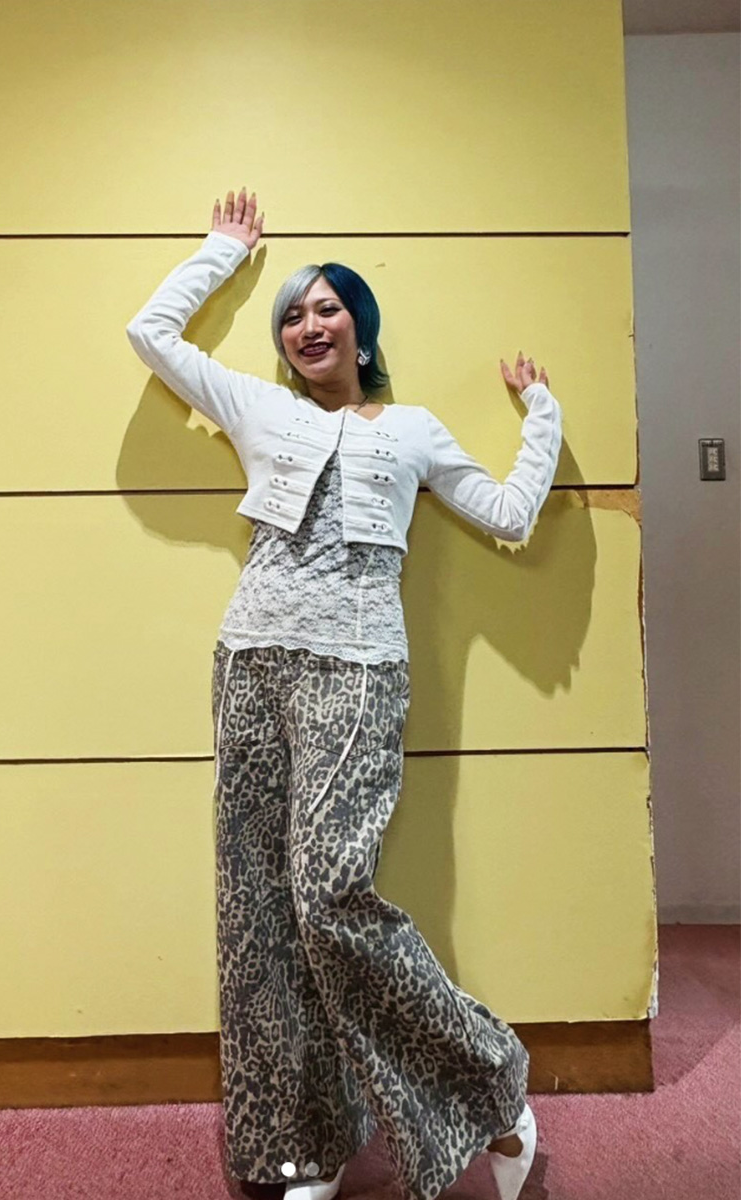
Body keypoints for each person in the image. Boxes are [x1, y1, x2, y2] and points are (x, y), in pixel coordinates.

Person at [125, 186, 562, 1200]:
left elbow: (508, 512)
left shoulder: (412, 431)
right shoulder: (258, 406)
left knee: (329, 896)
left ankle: (494, 1087)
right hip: (252, 662)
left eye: (325, 307)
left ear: (359, 325)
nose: (307, 324)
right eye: (291, 314)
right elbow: (149, 333)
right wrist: (221, 251)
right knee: (259, 909)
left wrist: (541, 417)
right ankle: (303, 1148)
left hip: (359, 667)